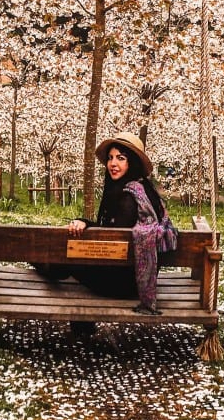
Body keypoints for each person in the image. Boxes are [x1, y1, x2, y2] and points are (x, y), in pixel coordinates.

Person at [65, 133, 178, 315]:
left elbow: (107, 239)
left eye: (121, 158)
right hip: (131, 279)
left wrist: (87, 225)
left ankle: (41, 265)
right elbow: (111, 231)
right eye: (110, 158)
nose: (113, 164)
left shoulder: (128, 198)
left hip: (121, 283)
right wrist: (85, 222)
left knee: (63, 258)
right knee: (63, 261)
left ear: (132, 162)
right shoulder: (144, 191)